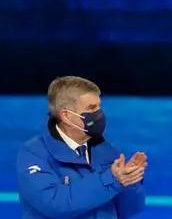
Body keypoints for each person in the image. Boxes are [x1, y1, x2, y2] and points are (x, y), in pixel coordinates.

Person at [16, 76, 148, 219]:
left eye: (99, 106)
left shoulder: (106, 151)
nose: (99, 114)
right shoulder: (33, 154)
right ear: (66, 116)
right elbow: (55, 204)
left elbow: (129, 210)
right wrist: (111, 180)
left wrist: (130, 182)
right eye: (91, 108)